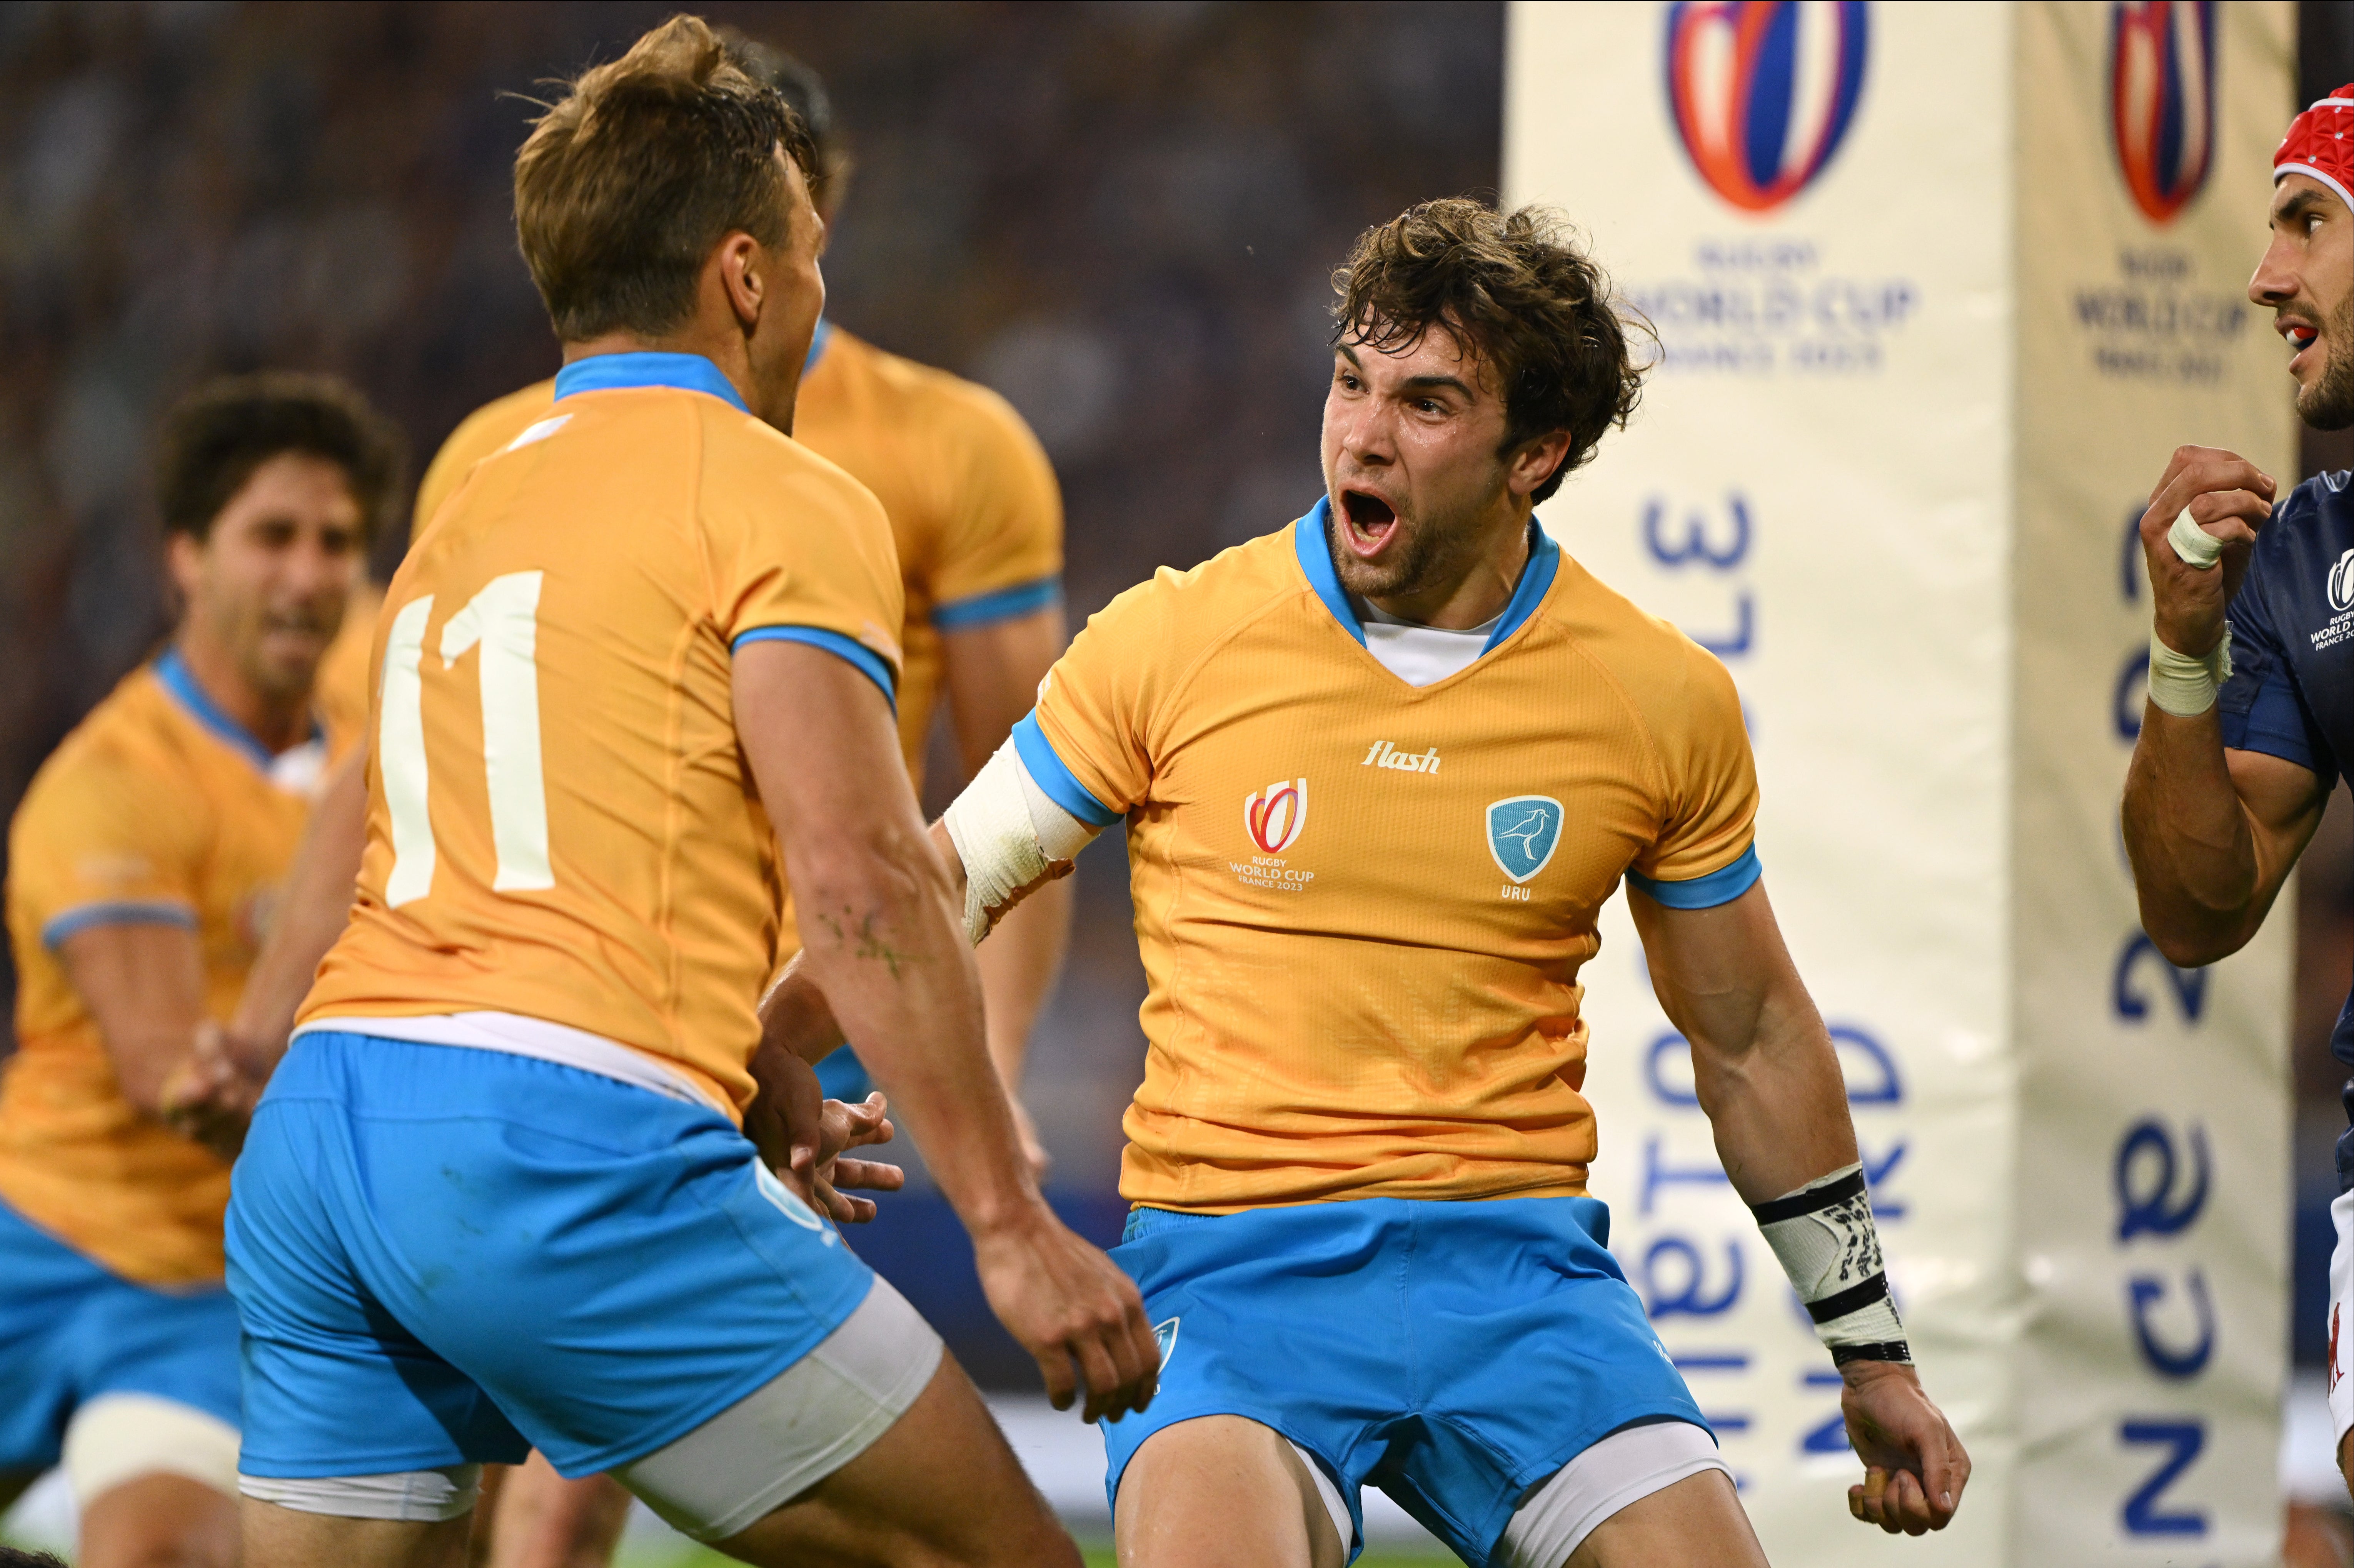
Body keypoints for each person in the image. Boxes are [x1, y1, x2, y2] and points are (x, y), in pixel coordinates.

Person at [769, 198, 1970, 1565]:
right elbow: (937, 884)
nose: (1364, 432)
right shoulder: (1173, 640)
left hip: (1524, 1282)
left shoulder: (1655, 699)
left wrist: (1872, 1358)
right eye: (1353, 380)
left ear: (1537, 454)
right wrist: (772, 1058)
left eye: (1429, 402)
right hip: (1233, 1278)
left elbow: (1751, 1036)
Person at [220, 18, 1154, 1568]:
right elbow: (862, 882)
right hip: (557, 1151)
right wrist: (1006, 1223)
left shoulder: (472, 491)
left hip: (327, 1140)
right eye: (808, 256)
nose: (816, 292)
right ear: (742, 275)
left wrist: (749, 1067)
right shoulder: (786, 493)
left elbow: (476, 828)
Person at [0, 373, 398, 1568]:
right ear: (187, 559)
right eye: (271, 536)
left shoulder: (364, 735)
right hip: (38, 1234)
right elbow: (171, 1081)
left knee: (164, 1557)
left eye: (336, 542)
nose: (309, 573)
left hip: (197, 1297)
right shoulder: (114, 785)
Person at [2119, 84, 2354, 1492]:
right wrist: (2183, 655)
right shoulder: (2306, 558)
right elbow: (2201, 908)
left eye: (2308, 224)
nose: (2265, 275)